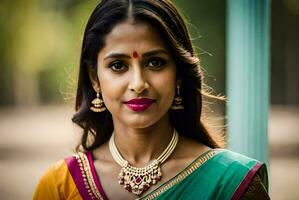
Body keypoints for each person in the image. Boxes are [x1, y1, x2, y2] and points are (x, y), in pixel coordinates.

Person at [33, 0, 270, 199]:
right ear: (95, 78)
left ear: (178, 74)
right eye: (118, 65)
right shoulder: (60, 186)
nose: (138, 83)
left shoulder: (231, 183)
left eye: (155, 62)